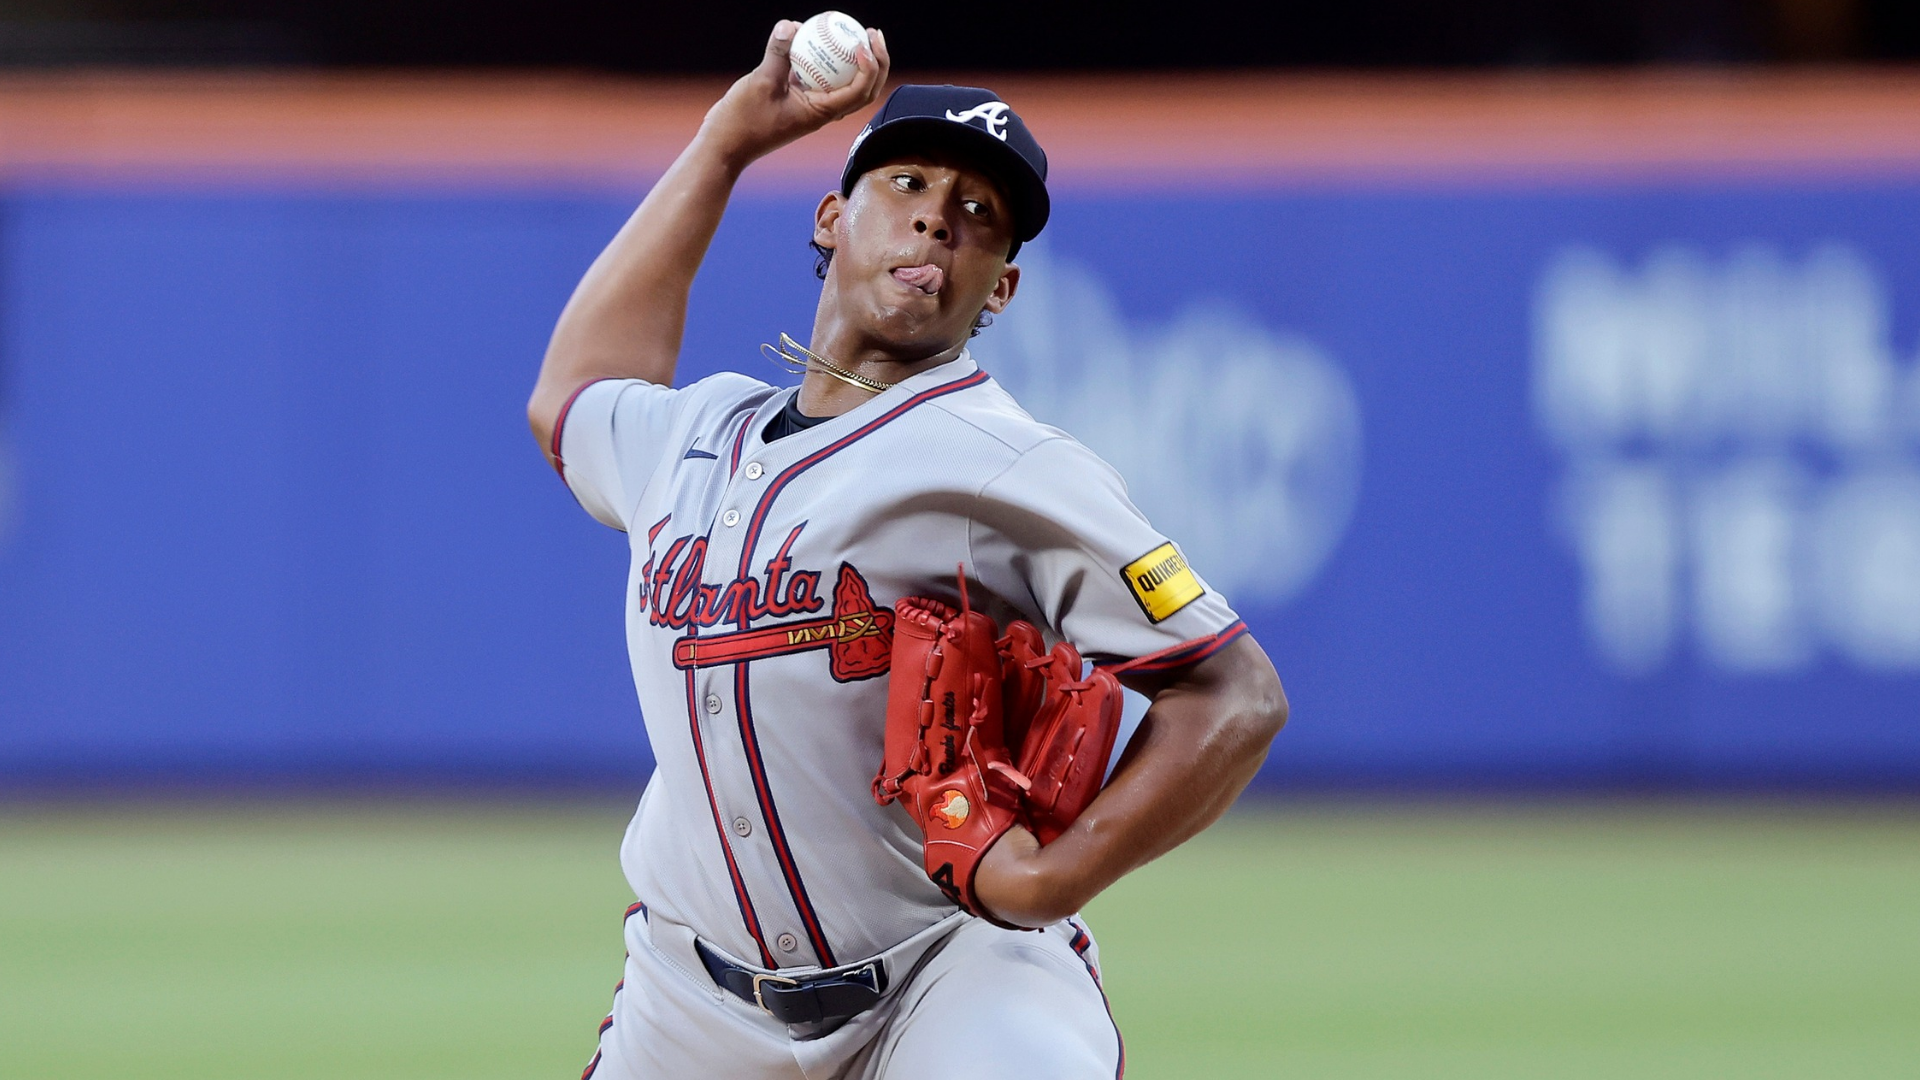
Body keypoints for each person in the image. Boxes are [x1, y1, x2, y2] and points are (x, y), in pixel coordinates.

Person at [527, 20, 1288, 1080]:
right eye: (911, 182)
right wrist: (724, 145)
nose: (939, 216)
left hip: (950, 975)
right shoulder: (692, 436)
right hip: (690, 1002)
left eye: (981, 214)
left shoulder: (1005, 463)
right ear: (834, 217)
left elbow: (1236, 694)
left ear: (1002, 290)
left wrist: (1051, 881)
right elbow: (572, 399)